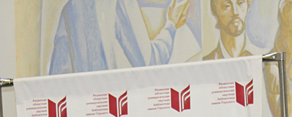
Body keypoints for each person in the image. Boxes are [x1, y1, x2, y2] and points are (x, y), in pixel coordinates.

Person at [49, 0, 191, 74]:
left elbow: (58, 75)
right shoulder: (119, 2)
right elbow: (150, 62)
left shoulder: (70, 8)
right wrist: (171, 24)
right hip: (109, 104)